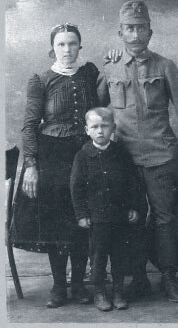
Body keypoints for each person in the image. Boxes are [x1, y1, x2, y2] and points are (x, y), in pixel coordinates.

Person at [97, 1, 178, 302]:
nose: (135, 34)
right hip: (124, 160)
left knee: (165, 217)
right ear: (120, 32)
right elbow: (96, 110)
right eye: (129, 28)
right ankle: (138, 277)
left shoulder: (165, 66)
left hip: (161, 155)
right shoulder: (110, 67)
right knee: (130, 217)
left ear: (150, 31)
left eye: (140, 27)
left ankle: (169, 276)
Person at [10, 23, 120, 308]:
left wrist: (111, 66)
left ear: (79, 46)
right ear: (53, 49)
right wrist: (31, 165)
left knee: (82, 217)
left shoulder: (89, 74)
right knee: (57, 220)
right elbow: (30, 125)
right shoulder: (41, 79)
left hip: (84, 154)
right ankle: (59, 286)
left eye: (72, 44)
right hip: (52, 157)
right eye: (61, 44)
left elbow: (104, 105)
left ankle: (80, 284)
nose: (67, 49)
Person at [70, 107, 141, 311]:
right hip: (97, 218)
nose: (100, 131)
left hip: (119, 216)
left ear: (113, 128)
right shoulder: (83, 155)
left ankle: (118, 291)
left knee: (119, 255)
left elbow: (133, 182)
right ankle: (99, 292)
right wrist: (81, 215)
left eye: (104, 126)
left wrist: (134, 207)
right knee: (98, 256)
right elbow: (76, 187)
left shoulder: (121, 153)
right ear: (87, 130)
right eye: (95, 127)